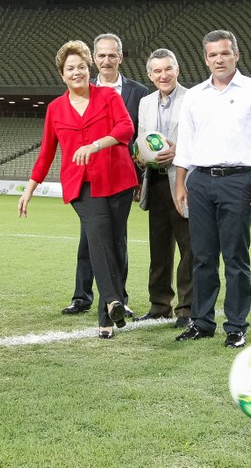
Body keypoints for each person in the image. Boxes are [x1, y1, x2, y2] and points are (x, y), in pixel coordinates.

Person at [18, 40, 139, 339]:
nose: (77, 73)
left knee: (114, 242)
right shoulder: (55, 109)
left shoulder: (109, 97)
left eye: (82, 67)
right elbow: (46, 152)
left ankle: (107, 318)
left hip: (119, 181)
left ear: (90, 69)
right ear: (62, 74)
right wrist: (29, 189)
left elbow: (126, 129)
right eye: (70, 69)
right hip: (82, 187)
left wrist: (96, 145)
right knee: (98, 236)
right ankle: (112, 299)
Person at [173, 30, 251, 349]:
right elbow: (187, 144)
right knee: (202, 257)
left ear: (236, 54)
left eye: (224, 53)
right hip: (200, 181)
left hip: (238, 181)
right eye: (212, 55)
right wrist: (180, 182)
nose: (218, 59)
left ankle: (235, 325)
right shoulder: (194, 95)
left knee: (235, 256)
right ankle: (202, 322)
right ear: (205, 59)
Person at [61, 33, 148, 317]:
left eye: (112, 55)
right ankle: (82, 296)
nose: (106, 60)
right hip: (89, 179)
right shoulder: (82, 87)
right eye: (101, 55)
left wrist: (138, 175)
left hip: (121, 178)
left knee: (116, 239)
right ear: (93, 59)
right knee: (89, 238)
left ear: (121, 57)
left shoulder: (138, 92)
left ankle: (118, 299)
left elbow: (139, 135)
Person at [133, 48, 193, 329]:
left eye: (168, 69)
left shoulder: (193, 98)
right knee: (159, 250)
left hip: (184, 182)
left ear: (177, 70)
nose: (163, 75)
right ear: (150, 75)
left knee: (189, 249)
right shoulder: (145, 103)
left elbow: (203, 139)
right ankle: (159, 306)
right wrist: (141, 156)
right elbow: (143, 139)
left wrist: (178, 152)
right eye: (157, 71)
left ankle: (187, 309)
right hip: (155, 182)